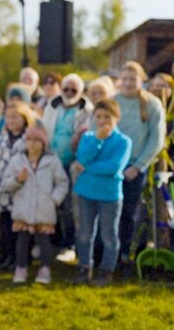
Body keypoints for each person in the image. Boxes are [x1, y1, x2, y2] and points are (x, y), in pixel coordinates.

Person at [71, 99, 132, 286]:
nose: (102, 120)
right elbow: (82, 157)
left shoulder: (123, 141)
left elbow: (113, 168)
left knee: (109, 235)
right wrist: (97, 140)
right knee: (85, 233)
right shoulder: (89, 138)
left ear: (117, 118)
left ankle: (106, 270)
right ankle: (84, 267)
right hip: (86, 192)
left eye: (107, 117)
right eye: (98, 116)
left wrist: (87, 168)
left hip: (109, 195)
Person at [1, 126, 69, 284]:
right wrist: (18, 180)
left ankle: (45, 269)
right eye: (29, 140)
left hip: (44, 208)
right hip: (23, 208)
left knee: (44, 240)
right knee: (22, 240)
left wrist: (54, 199)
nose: (31, 144)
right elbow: (5, 183)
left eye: (36, 140)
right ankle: (21, 267)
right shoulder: (17, 160)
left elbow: (62, 182)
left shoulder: (52, 161)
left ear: (43, 143)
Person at [114, 61, 166, 269]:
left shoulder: (151, 104)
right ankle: (106, 253)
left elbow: (156, 139)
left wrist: (138, 166)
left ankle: (125, 252)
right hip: (111, 165)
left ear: (141, 80)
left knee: (129, 211)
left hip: (135, 166)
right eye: (124, 79)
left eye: (132, 79)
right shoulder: (113, 101)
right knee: (109, 211)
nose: (127, 83)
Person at [40, 73, 92, 262]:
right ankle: (52, 240)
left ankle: (69, 244)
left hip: (73, 163)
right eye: (66, 89)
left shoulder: (87, 110)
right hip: (52, 160)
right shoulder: (52, 106)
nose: (69, 93)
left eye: (74, 90)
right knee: (51, 203)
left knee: (70, 205)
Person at [0, 102, 35, 270]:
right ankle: (6, 255)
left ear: (24, 119)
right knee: (5, 225)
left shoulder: (28, 138)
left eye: (15, 117)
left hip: (21, 188)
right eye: (8, 117)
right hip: (3, 187)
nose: (11, 120)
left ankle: (21, 258)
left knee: (19, 226)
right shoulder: (2, 137)